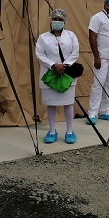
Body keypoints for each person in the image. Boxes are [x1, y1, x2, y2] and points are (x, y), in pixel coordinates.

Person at [36, 9, 80, 144]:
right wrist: (53, 65)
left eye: (60, 19)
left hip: (66, 74)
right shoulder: (43, 37)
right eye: (55, 18)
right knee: (51, 104)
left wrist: (64, 65)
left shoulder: (71, 36)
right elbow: (40, 54)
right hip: (50, 74)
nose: (57, 21)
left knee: (68, 103)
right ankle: (52, 130)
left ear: (65, 21)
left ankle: (70, 131)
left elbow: (75, 52)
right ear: (51, 20)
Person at [87, 0, 109, 124]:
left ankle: (105, 111)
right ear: (106, 3)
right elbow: (92, 37)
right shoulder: (97, 18)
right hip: (102, 57)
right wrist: (96, 56)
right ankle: (92, 113)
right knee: (98, 84)